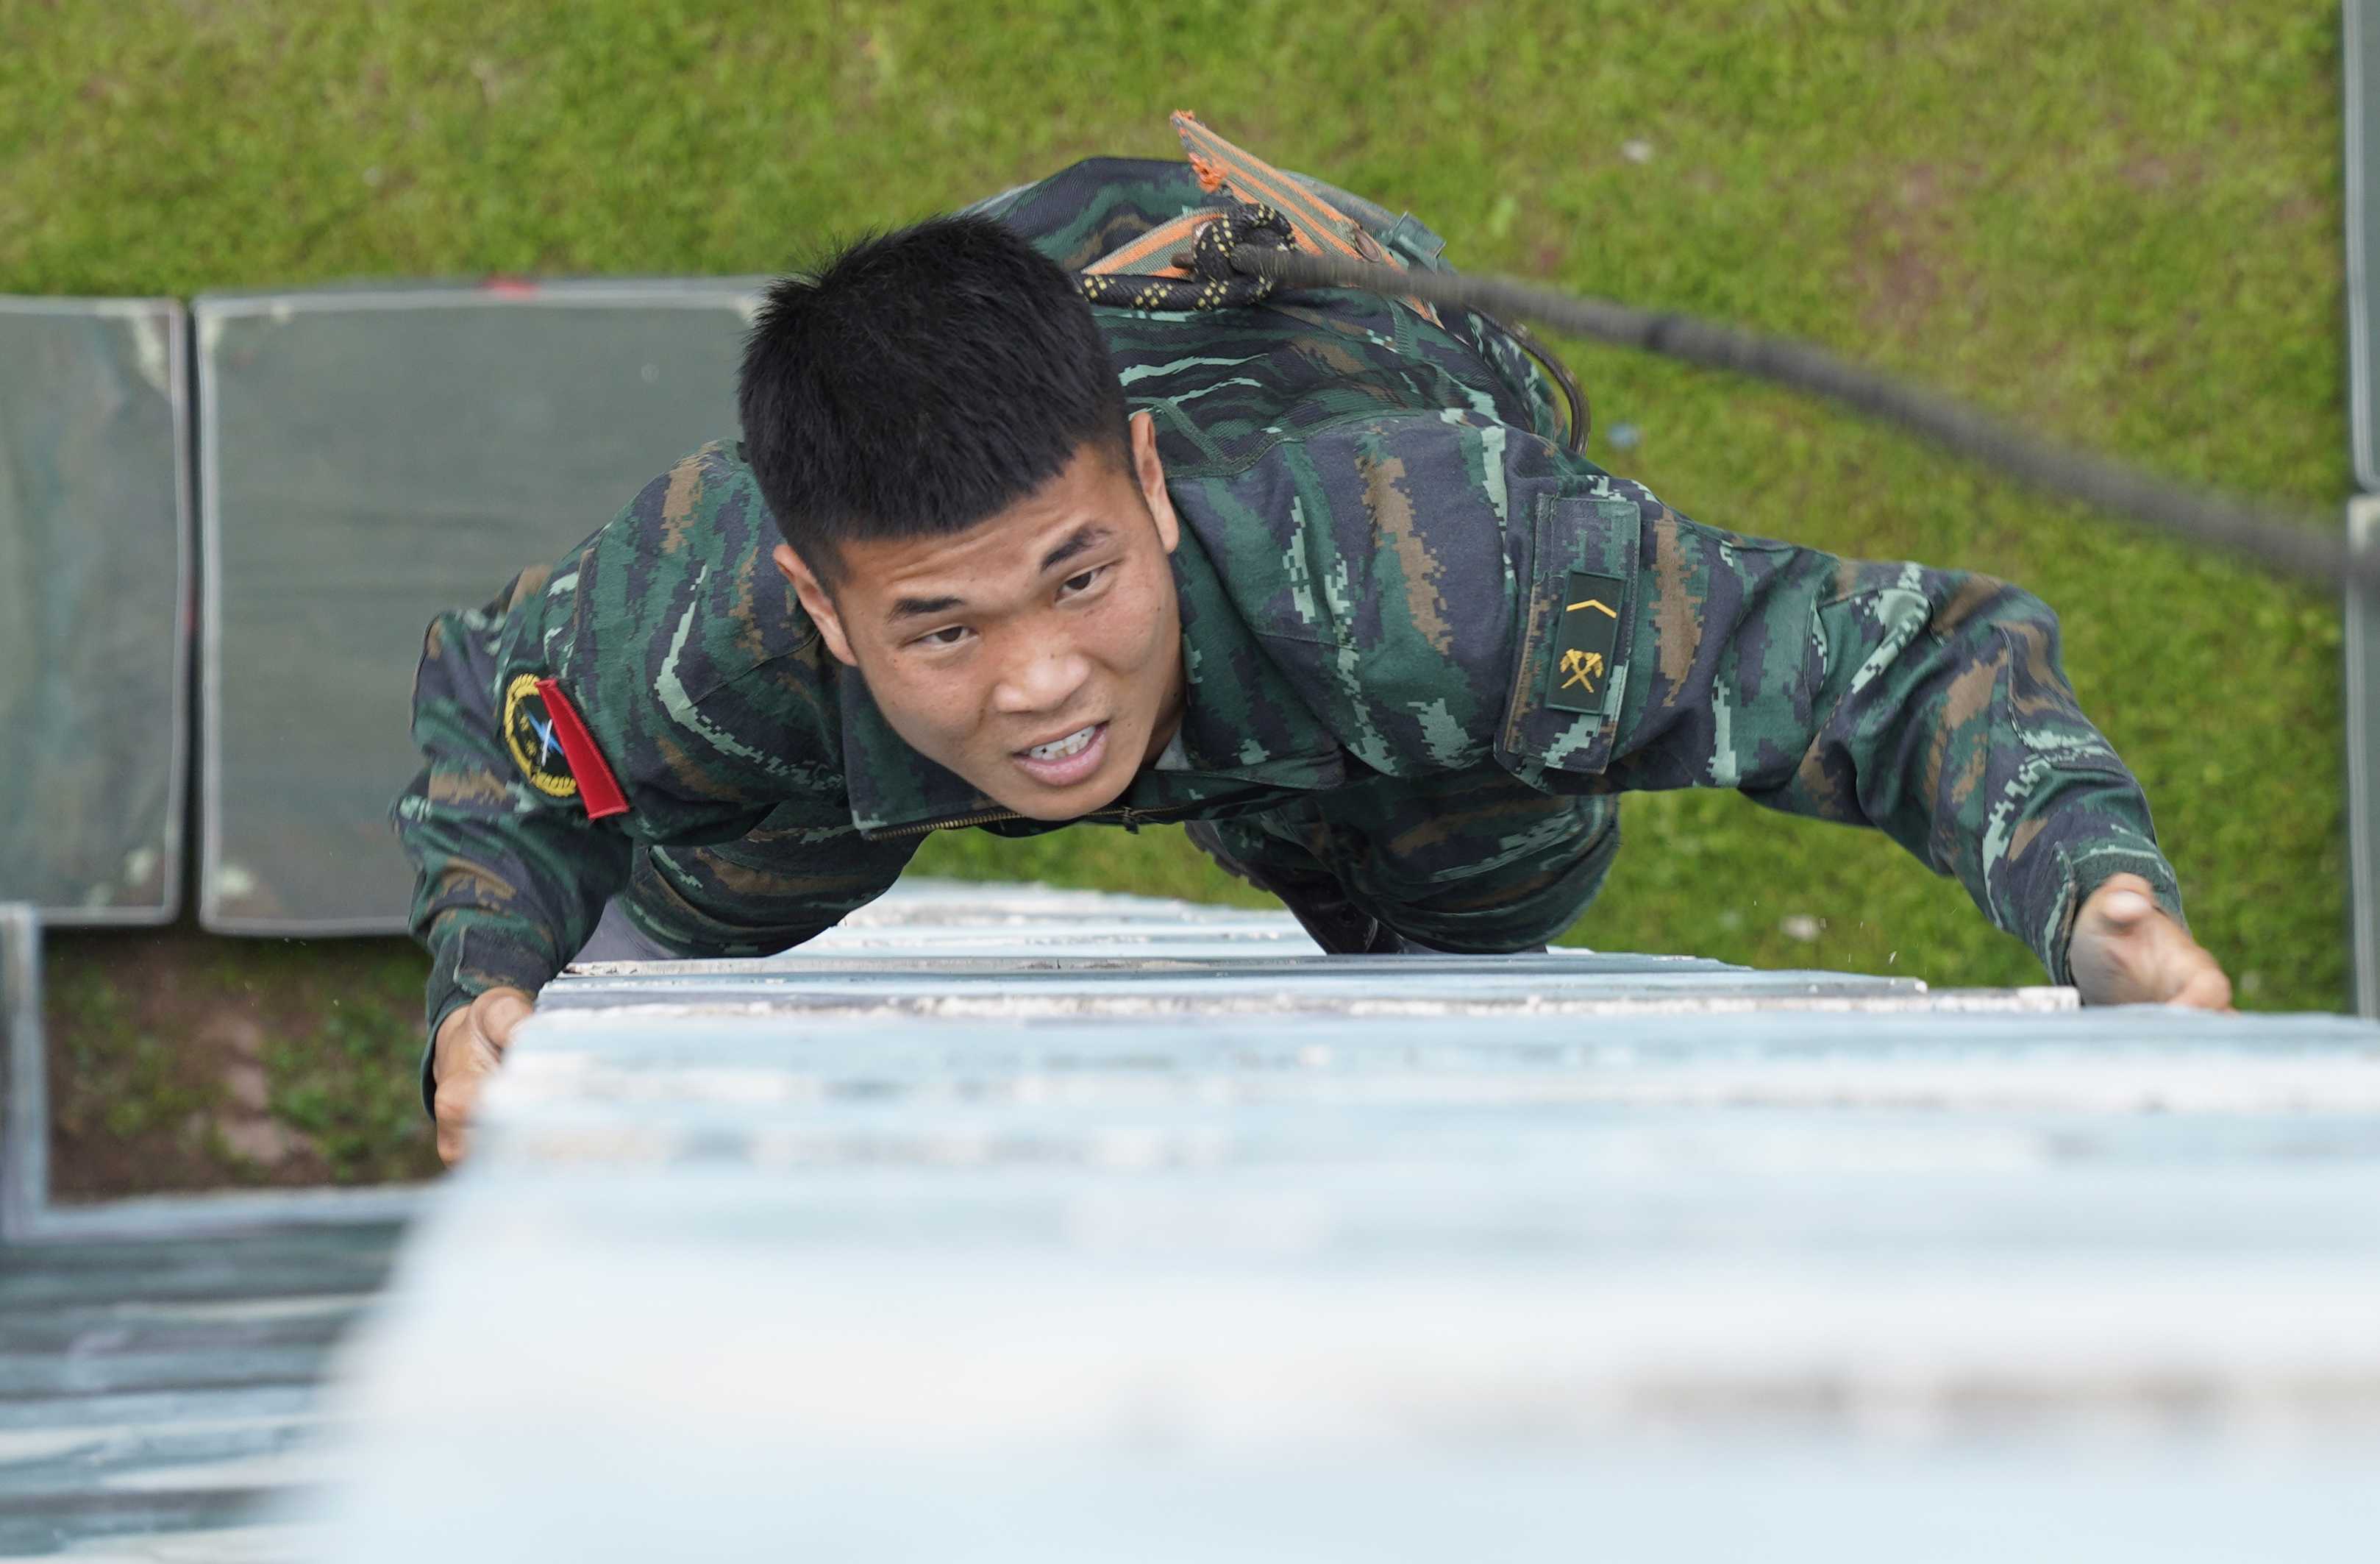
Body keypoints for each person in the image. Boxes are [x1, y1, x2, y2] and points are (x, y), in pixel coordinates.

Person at [398, 118, 2229, 1165]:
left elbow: (1896, 665)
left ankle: (1396, 919)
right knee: (685, 906)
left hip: (1343, 513)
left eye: (1075, 581)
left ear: (1143, 483)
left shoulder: (1446, 567)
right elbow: (496, 729)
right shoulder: (707, 615)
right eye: (942, 623)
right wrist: (488, 986)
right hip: (921, 637)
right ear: (819, 600)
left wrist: (2093, 895)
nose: (1036, 680)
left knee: (1486, 900)